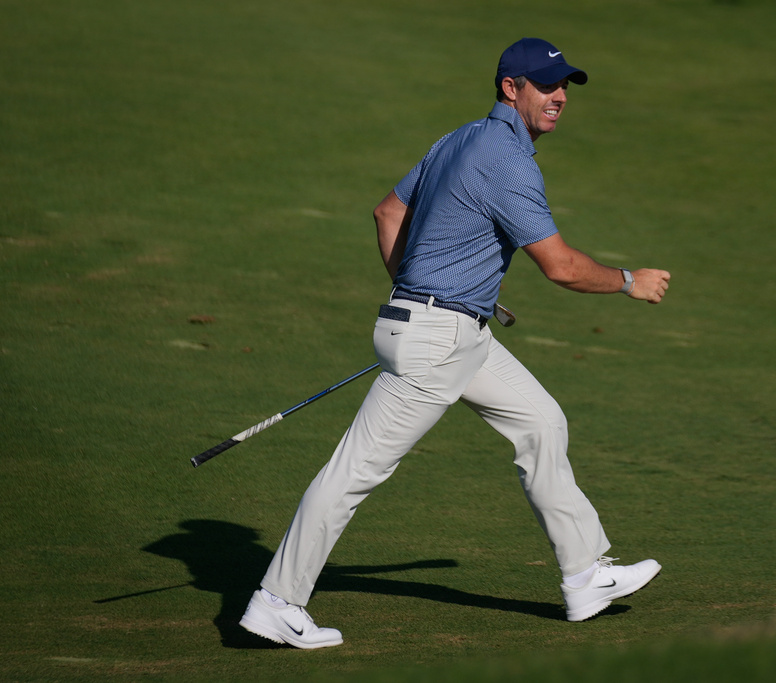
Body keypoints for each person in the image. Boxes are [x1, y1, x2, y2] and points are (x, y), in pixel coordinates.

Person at [239, 37, 672, 649]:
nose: (558, 98)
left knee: (541, 421)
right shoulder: (508, 160)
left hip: (448, 331)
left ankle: (585, 575)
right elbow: (561, 267)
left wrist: (418, 290)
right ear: (509, 88)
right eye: (544, 86)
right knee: (354, 472)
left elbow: (388, 213)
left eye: (563, 87)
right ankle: (277, 601)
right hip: (438, 339)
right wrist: (629, 282)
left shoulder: (457, 139)